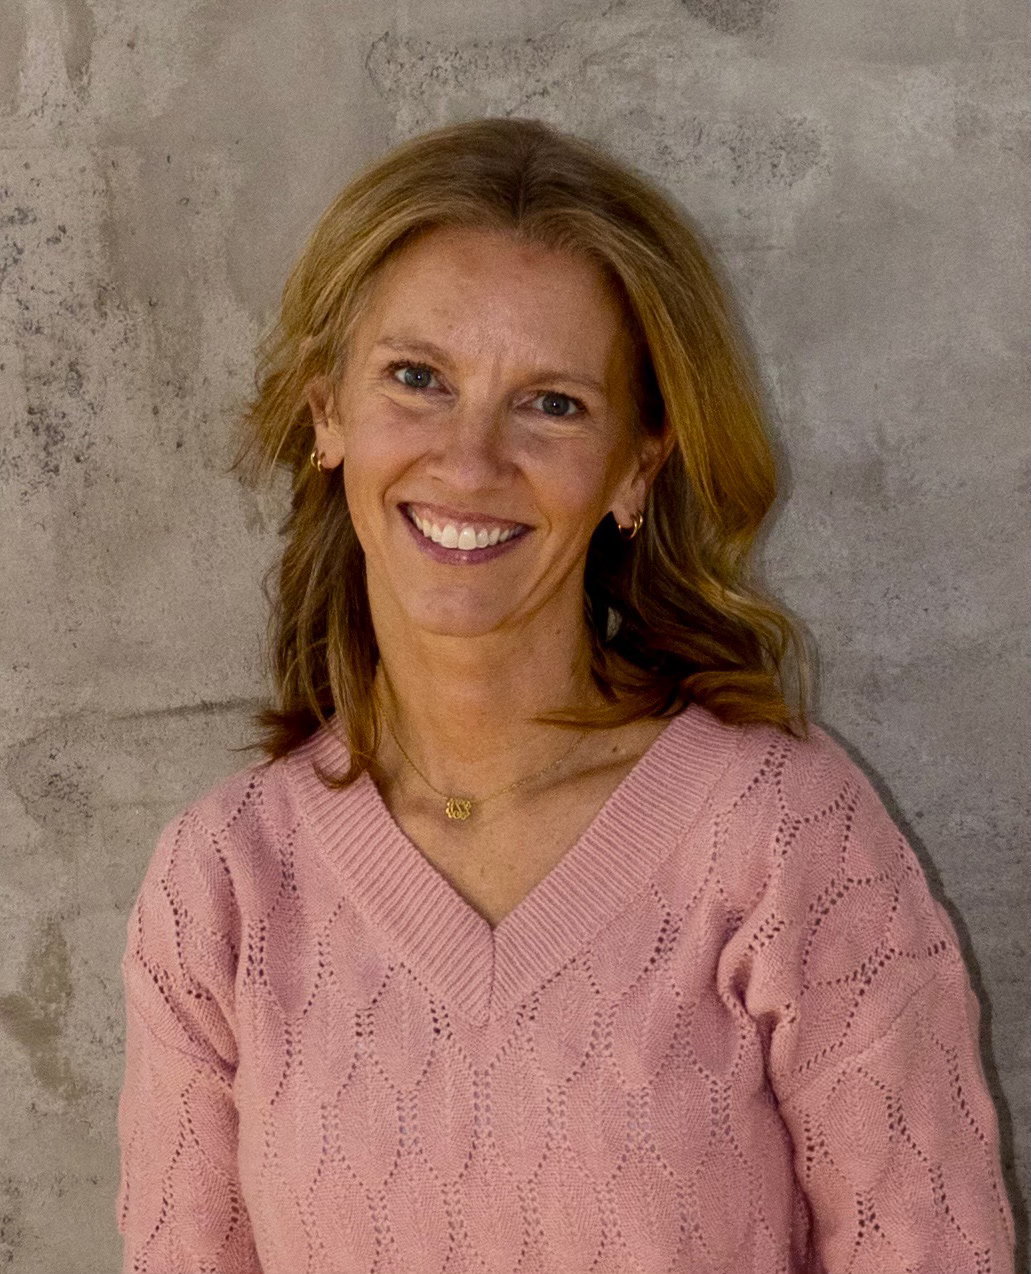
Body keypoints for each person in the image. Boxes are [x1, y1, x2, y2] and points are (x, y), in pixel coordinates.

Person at [116, 117, 1015, 1274]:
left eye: (550, 403)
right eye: (416, 379)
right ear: (325, 408)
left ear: (636, 466)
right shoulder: (223, 882)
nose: (469, 460)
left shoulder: (783, 838)